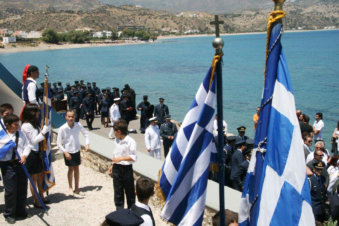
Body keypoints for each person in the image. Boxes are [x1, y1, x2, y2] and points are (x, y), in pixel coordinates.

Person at [0, 114, 31, 224]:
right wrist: (7, 146)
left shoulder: (21, 134)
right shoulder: (2, 136)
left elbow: (28, 145)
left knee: (22, 188)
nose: (18, 126)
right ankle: (9, 213)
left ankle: (20, 210)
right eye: (15, 125)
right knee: (11, 191)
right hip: (8, 165)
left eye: (18, 124)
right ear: (7, 125)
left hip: (20, 164)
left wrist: (24, 155)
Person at [21, 104, 51, 208]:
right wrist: (43, 132)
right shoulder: (26, 125)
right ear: (31, 113)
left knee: (40, 176)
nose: (39, 113)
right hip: (31, 153)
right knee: (33, 178)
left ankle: (41, 195)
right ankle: (36, 200)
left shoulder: (34, 124)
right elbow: (33, 140)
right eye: (37, 111)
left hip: (38, 152)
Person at [57, 110, 90, 196]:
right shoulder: (62, 128)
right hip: (68, 151)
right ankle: (70, 187)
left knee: (77, 169)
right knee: (70, 169)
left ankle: (77, 187)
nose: (71, 118)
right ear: (66, 117)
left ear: (74, 117)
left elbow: (86, 134)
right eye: (69, 116)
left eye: (72, 116)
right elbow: (58, 143)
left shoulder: (78, 125)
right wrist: (65, 152)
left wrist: (87, 144)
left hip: (76, 150)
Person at [108, 119, 137, 210]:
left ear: (119, 131)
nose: (114, 134)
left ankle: (131, 211)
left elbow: (133, 157)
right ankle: (119, 211)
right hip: (117, 168)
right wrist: (112, 165)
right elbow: (115, 154)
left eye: (114, 132)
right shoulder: (116, 140)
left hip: (126, 169)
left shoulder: (130, 142)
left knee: (129, 192)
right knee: (118, 192)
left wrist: (120, 159)